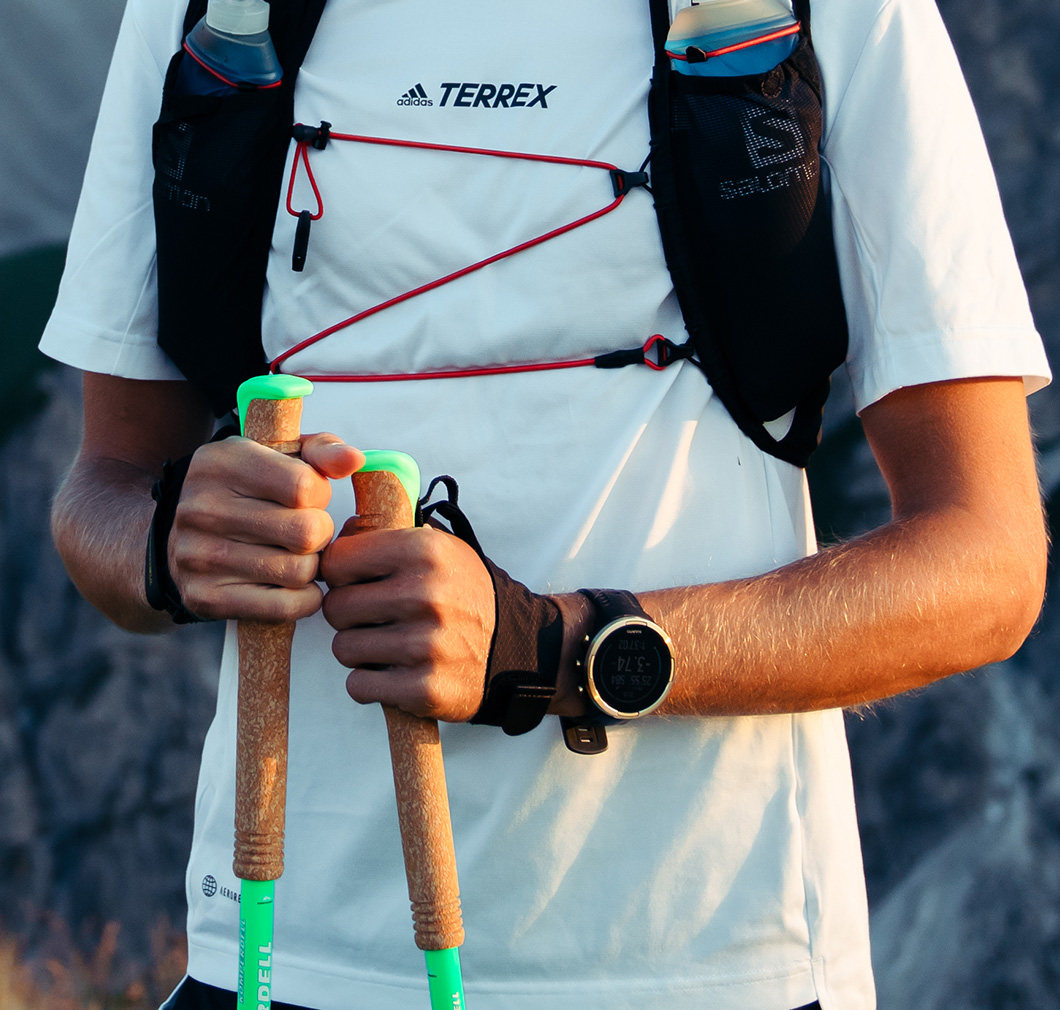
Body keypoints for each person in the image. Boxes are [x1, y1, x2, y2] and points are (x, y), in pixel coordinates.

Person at [42, 0, 1049, 1006]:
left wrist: (564, 648)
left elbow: (988, 562)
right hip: (270, 960)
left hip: (715, 966)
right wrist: (172, 540)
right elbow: (103, 490)